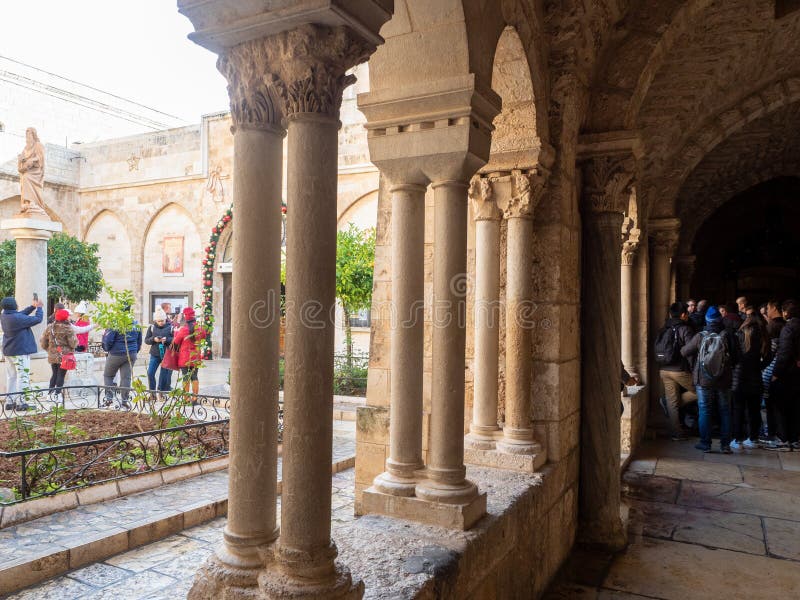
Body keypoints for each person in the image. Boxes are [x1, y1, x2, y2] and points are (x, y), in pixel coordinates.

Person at [681, 306, 739, 453]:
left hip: (704, 379)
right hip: (724, 380)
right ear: (720, 320)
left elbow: (684, 351)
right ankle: (725, 445)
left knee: (705, 410)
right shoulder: (728, 334)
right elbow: (737, 357)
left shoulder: (701, 336)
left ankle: (705, 444)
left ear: (707, 320)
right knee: (725, 411)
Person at [656, 302, 696, 440]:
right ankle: (668, 403)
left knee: (672, 402)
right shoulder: (685, 329)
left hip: (664, 369)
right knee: (700, 390)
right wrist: (693, 370)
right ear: (684, 314)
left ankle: (677, 434)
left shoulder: (663, 328)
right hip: (679, 370)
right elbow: (691, 351)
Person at [730, 308, 767, 450]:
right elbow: (768, 356)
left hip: (739, 376)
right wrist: (760, 366)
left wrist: (736, 366)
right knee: (754, 410)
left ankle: (737, 439)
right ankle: (753, 438)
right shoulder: (763, 335)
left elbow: (734, 355)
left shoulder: (740, 333)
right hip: (756, 376)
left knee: (738, 409)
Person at [1, 296, 43, 411]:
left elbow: (21, 314)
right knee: (22, 376)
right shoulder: (17, 318)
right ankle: (22, 403)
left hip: (9, 351)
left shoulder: (4, 315)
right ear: (14, 305)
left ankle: (10, 402)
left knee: (11, 377)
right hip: (20, 352)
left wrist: (32, 307)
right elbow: (38, 319)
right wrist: (39, 308)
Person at [770, 299, 800, 450]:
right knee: (795, 407)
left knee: (780, 406)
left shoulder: (788, 328)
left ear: (786, 312)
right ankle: (795, 439)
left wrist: (776, 373)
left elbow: (784, 353)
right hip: (797, 373)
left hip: (787, 373)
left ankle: (783, 439)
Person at [101, 306, 142, 407]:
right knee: (126, 378)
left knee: (108, 375)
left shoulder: (115, 323)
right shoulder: (135, 323)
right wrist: (135, 351)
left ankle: (109, 399)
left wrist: (107, 349)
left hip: (116, 353)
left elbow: (108, 340)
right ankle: (125, 401)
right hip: (131, 353)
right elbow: (139, 340)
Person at [40, 309, 78, 400]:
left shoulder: (50, 327)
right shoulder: (68, 328)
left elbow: (43, 343)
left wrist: (50, 350)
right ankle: (57, 394)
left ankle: (50, 394)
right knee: (61, 375)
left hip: (53, 355)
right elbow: (73, 343)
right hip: (64, 355)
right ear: (65, 317)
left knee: (54, 374)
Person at [173, 307, 207, 395]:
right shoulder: (199, 329)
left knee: (185, 378)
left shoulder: (183, 329)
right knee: (194, 376)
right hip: (195, 357)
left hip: (184, 359)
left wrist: (176, 332)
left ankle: (186, 399)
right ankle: (195, 398)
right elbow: (204, 336)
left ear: (186, 318)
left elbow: (176, 342)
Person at [145, 308, 174, 393]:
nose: (161, 322)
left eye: (162, 320)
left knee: (163, 375)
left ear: (165, 319)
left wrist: (167, 340)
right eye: (159, 321)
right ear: (155, 320)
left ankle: (161, 391)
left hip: (167, 354)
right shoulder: (152, 327)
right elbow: (146, 340)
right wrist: (154, 339)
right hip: (155, 354)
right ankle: (152, 391)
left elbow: (175, 339)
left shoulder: (171, 327)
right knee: (150, 373)